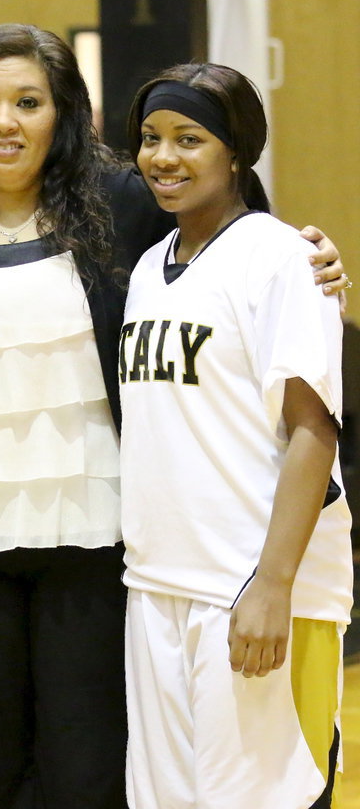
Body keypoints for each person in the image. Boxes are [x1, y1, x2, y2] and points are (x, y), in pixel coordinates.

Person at [0, 24, 348, 808]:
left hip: (96, 536)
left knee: (91, 771)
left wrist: (309, 254)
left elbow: (227, 231)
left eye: (28, 101)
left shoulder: (123, 205)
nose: (4, 121)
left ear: (64, 112)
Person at [119, 63, 350, 809]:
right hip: (159, 583)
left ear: (236, 152)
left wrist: (273, 585)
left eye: (189, 139)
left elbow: (314, 429)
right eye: (151, 138)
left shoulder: (284, 259)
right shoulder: (149, 266)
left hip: (252, 587)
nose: (163, 157)